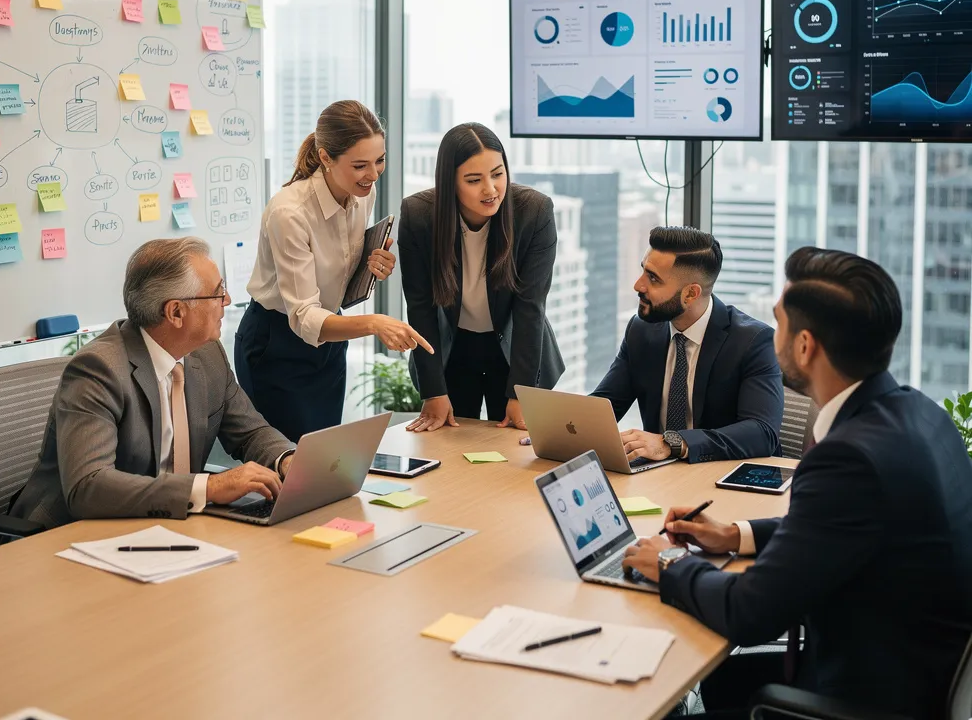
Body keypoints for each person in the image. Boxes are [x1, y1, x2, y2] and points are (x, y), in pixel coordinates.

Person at [623, 247, 972, 720]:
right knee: (720, 678)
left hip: (868, 695)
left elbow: (749, 614)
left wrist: (667, 565)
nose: (771, 336)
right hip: (906, 664)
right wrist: (734, 535)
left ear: (805, 346)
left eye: (779, 322)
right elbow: (840, 531)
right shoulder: (917, 411)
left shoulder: (849, 459)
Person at [11, 238, 296, 530]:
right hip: (70, 534)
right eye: (217, 292)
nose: (226, 300)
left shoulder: (207, 355)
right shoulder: (98, 370)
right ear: (175, 312)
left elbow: (250, 432)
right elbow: (88, 486)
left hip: (168, 524)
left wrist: (288, 460)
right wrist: (207, 488)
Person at [235, 100, 431, 442]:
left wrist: (368, 265)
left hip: (329, 341)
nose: (373, 174)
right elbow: (302, 315)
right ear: (326, 158)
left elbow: (334, 272)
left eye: (379, 160)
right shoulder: (290, 213)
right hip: (276, 346)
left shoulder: (362, 192)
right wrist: (374, 323)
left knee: (322, 459)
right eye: (360, 165)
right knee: (283, 467)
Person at [398, 122, 564, 432]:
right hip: (453, 350)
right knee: (450, 451)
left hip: (516, 349)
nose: (490, 189)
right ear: (450, 182)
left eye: (497, 174)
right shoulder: (419, 216)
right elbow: (420, 307)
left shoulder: (534, 211)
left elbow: (531, 307)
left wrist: (521, 393)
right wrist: (434, 390)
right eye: (474, 180)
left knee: (517, 455)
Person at [591, 226, 782, 463]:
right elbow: (605, 406)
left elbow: (762, 433)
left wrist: (671, 443)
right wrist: (555, 421)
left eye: (653, 278)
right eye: (644, 271)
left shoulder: (753, 341)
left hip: (723, 479)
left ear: (690, 294)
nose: (638, 285)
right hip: (660, 478)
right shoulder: (641, 330)